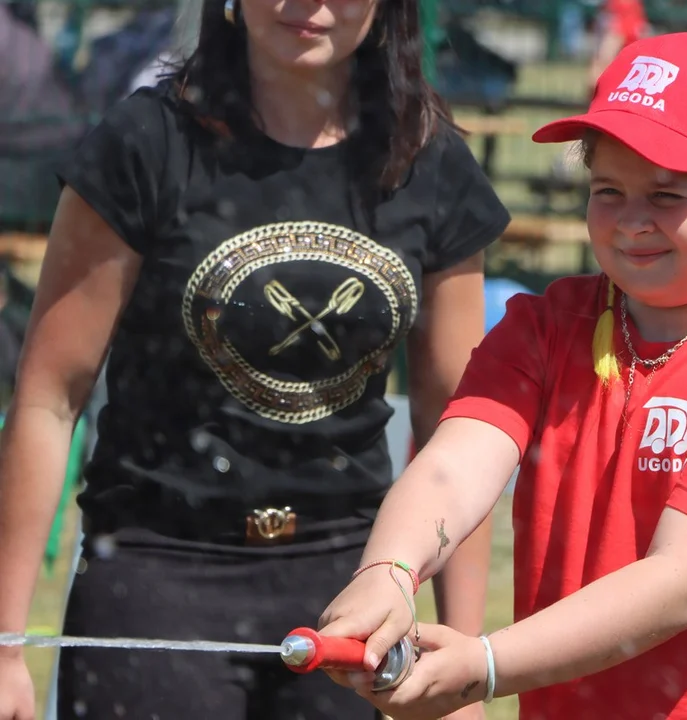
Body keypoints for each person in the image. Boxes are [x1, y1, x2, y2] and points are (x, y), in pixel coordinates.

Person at [318, 33, 687, 720]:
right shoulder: (545, 327)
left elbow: (678, 584)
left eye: (665, 195)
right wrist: (387, 573)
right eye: (608, 190)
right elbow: (453, 469)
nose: (631, 222)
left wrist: (484, 665)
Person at [0, 1, 509, 719]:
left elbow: (458, 427)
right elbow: (49, 399)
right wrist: (4, 644)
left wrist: (459, 655)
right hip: (159, 569)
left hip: (352, 584)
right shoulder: (147, 141)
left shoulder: (429, 159)